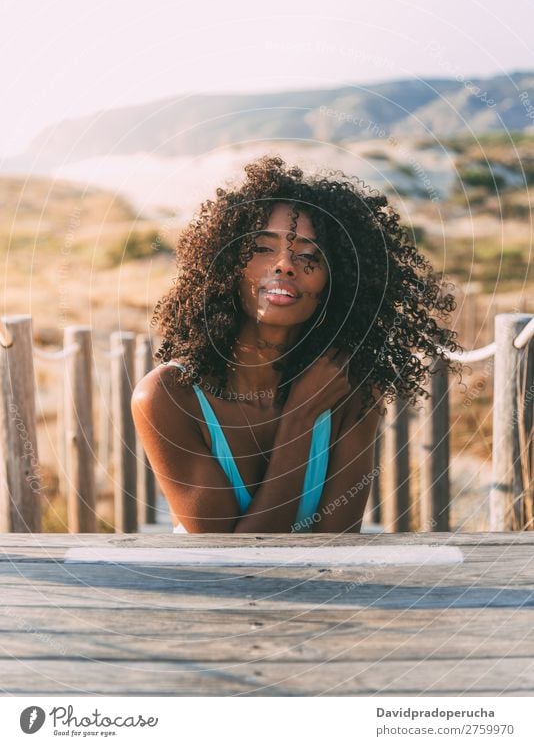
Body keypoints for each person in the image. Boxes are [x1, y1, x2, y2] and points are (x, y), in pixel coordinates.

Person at [131, 154, 461, 533]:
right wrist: (301, 418)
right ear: (226, 266)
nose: (285, 265)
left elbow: (335, 545)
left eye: (309, 255)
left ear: (336, 282)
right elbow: (228, 559)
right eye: (262, 248)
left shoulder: (350, 388)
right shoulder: (169, 396)